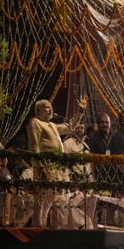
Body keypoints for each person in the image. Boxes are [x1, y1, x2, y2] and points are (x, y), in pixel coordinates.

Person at [27, 96, 88, 228]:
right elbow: (34, 147)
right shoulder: (35, 123)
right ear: (39, 110)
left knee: (59, 200)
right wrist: (39, 167)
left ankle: (58, 228)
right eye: (46, 107)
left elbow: (70, 127)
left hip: (58, 169)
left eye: (51, 107)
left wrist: (80, 111)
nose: (50, 109)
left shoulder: (52, 125)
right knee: (42, 200)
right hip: (45, 168)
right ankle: (38, 228)